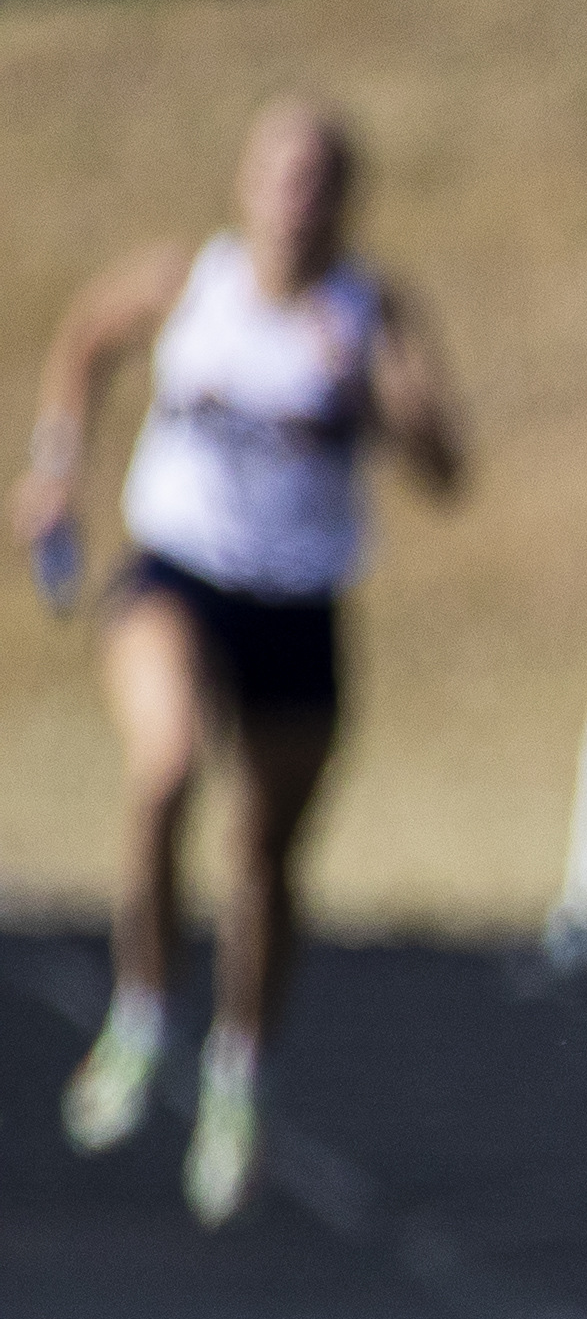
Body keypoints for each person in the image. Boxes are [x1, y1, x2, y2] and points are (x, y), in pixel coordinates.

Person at [17, 95, 471, 1230]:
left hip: (298, 601)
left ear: (345, 197)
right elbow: (85, 335)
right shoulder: (188, 284)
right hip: (180, 573)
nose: (296, 195)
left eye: (319, 175)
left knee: (264, 857)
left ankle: (238, 1069)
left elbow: (447, 468)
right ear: (245, 182)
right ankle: (141, 1009)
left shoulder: (369, 314)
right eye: (279, 170)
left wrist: (393, 402)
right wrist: (54, 468)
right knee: (166, 764)